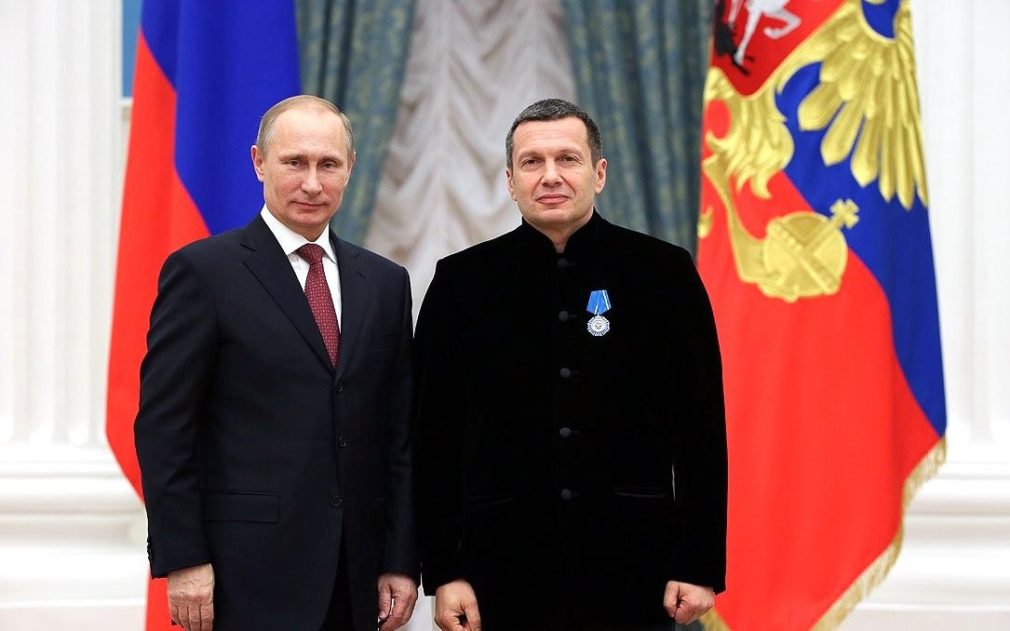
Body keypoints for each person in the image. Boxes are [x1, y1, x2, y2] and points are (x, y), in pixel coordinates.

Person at [414, 98, 727, 631]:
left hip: (635, 569)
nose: (550, 176)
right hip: (500, 574)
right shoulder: (461, 282)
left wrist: (698, 563)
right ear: (510, 180)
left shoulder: (665, 274)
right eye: (532, 162)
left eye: (568, 159)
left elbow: (701, 432)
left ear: (599, 173)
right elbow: (432, 440)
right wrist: (445, 571)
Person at [135, 95, 417, 631]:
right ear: (259, 163)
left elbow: (396, 432)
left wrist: (400, 558)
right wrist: (184, 558)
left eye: (328, 164)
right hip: (243, 575)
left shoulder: (384, 282)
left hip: (357, 576)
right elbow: (164, 426)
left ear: (350, 169)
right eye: (295, 163)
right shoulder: (203, 273)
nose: (312, 182)